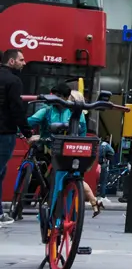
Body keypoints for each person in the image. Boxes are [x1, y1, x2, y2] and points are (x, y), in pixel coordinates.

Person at [27, 83, 103, 214]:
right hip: (50, 150)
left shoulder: (76, 112)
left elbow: (82, 133)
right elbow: (30, 122)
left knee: (72, 177)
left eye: (58, 96)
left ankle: (72, 207)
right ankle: (92, 201)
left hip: (68, 152)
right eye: (53, 96)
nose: (54, 99)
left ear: (66, 98)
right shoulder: (47, 110)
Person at [0, 49, 27, 223]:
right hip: (4, 133)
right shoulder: (13, 81)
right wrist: (28, 132)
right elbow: (17, 109)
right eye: (21, 60)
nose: (24, 63)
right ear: (11, 61)